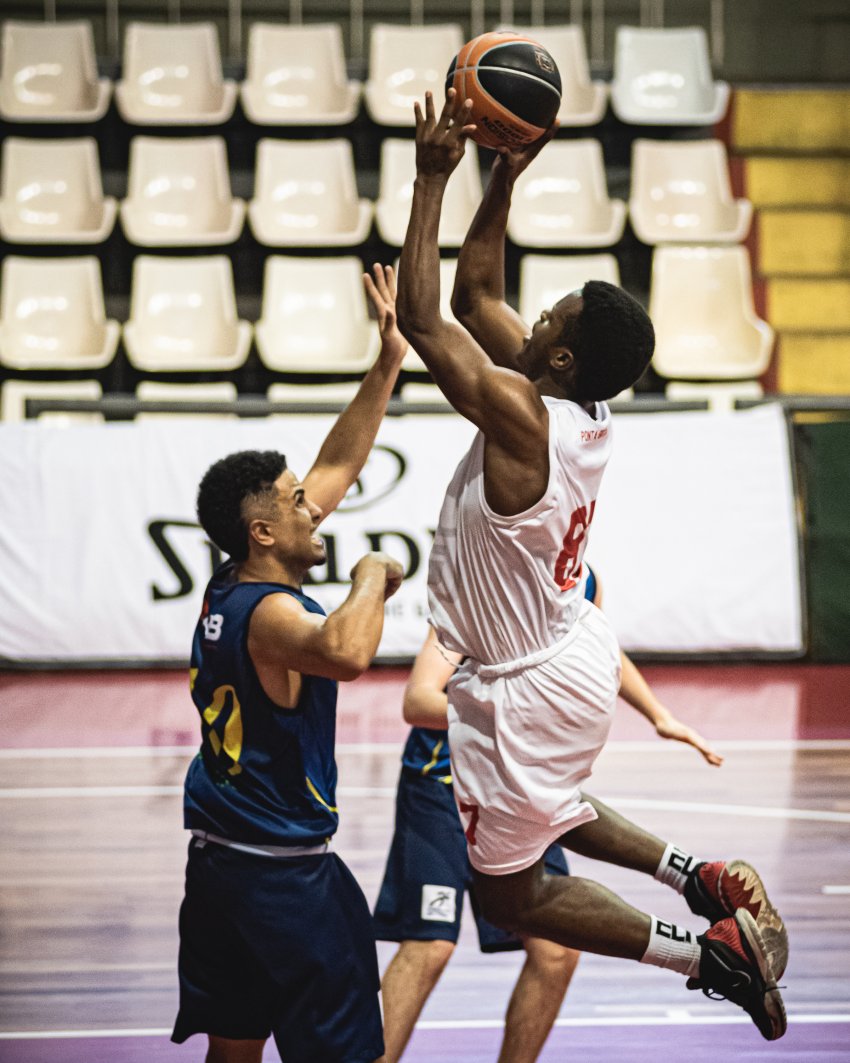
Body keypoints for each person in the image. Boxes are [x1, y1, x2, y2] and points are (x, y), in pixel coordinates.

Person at [393, 89, 788, 1042]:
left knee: (513, 893)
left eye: (552, 314)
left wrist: (431, 178)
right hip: (568, 646)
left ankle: (707, 955)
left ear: (560, 356)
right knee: (555, 810)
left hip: (524, 683)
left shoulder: (524, 416)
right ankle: (697, 876)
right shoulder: (575, 403)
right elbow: (474, 295)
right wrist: (503, 173)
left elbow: (421, 317)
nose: (531, 312)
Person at [171, 265, 408, 1063]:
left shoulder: (231, 585)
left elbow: (336, 466)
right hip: (284, 878)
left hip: (220, 868)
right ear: (264, 532)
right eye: (295, 500)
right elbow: (346, 651)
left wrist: (385, 365)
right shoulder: (274, 616)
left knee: (234, 1047)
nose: (315, 504)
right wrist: (373, 573)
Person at [374, 566, 723, 1063]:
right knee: (430, 945)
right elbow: (419, 700)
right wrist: (516, 715)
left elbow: (602, 649)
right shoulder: (482, 585)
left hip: (520, 788)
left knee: (555, 952)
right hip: (442, 785)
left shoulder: (583, 581)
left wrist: (658, 714)